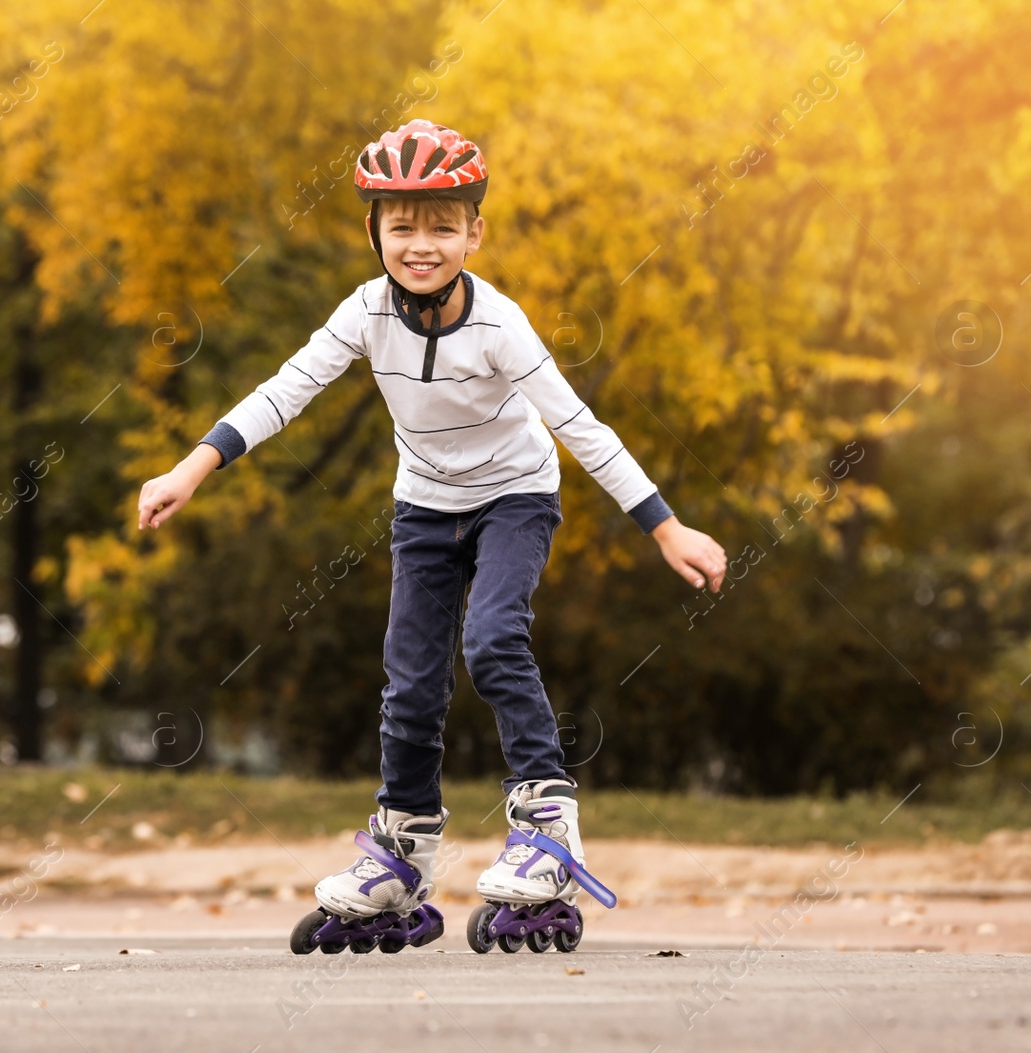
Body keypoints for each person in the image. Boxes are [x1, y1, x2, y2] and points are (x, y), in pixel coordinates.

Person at [136, 119, 727, 953]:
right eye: (402, 226)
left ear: (474, 232)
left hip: (515, 497)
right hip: (422, 508)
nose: (422, 245)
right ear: (373, 230)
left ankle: (549, 827)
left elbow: (579, 425)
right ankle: (403, 851)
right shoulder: (363, 312)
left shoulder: (501, 326)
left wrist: (665, 527)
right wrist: (189, 470)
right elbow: (283, 391)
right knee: (409, 682)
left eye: (443, 225)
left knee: (491, 639)